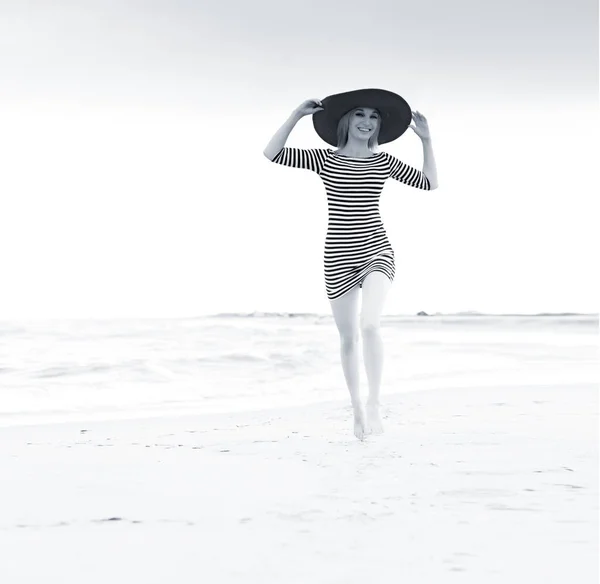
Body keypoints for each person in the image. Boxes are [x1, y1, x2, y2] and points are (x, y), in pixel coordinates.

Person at [263, 88, 438, 441]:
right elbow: (273, 153)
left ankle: (374, 402)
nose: (367, 122)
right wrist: (297, 115)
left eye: (374, 117)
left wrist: (427, 141)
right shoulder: (324, 159)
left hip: (377, 251)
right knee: (348, 338)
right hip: (338, 256)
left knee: (370, 324)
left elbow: (430, 183)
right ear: (346, 120)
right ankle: (357, 408)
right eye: (360, 114)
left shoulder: (384, 162)